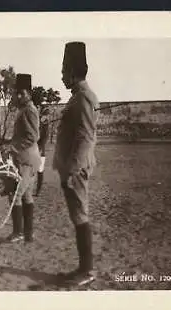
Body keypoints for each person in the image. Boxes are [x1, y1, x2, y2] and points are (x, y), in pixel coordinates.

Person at [52, 41, 99, 286]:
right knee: (77, 216)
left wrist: (72, 170)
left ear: (72, 71)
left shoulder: (83, 98)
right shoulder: (79, 97)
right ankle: (83, 268)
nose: (61, 76)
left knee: (80, 216)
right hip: (72, 168)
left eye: (63, 71)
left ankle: (87, 271)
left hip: (76, 170)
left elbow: (86, 138)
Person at [5, 73, 41, 243]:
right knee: (26, 196)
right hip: (27, 160)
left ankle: (19, 233)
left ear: (29, 93)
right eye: (17, 93)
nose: (19, 96)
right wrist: (9, 142)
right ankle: (28, 233)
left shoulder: (29, 110)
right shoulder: (24, 110)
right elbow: (23, 135)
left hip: (27, 160)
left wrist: (13, 146)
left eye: (22, 93)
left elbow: (33, 137)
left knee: (15, 195)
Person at [35, 105, 51, 196]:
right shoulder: (38, 124)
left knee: (40, 170)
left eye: (47, 115)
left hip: (40, 151)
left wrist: (39, 149)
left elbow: (44, 140)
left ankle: (38, 190)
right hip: (33, 149)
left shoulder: (46, 127)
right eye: (45, 114)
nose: (46, 117)